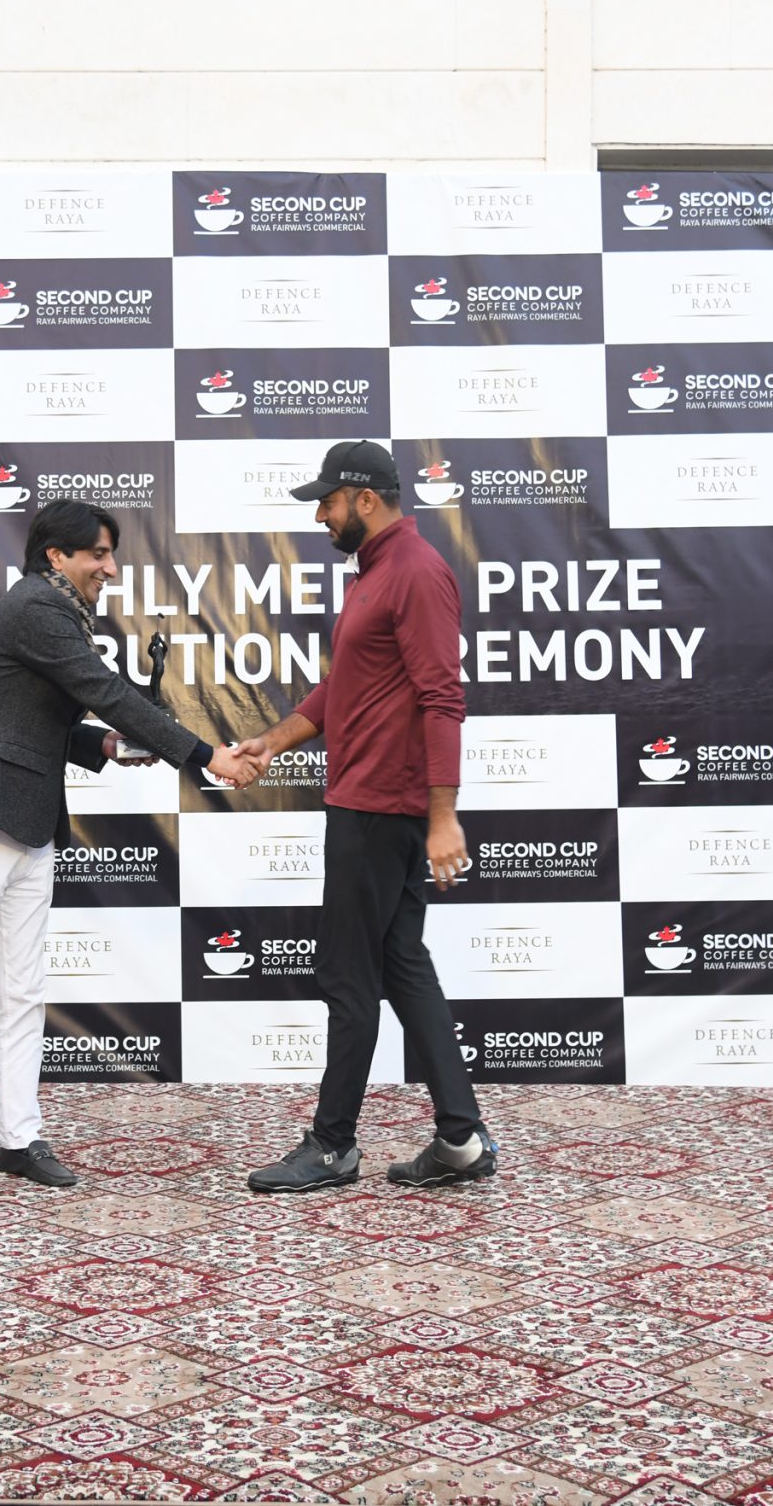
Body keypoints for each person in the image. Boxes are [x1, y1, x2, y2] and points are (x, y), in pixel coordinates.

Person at [0, 499, 259, 1189]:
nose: (110, 568)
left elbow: (37, 716)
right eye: (98, 554)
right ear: (56, 555)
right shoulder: (36, 607)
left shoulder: (57, 613)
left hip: (26, 821)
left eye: (111, 554)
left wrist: (103, 746)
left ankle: (19, 1139)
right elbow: (103, 690)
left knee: (23, 991)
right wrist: (205, 755)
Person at [233, 441, 491, 1192]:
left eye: (328, 500)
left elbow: (443, 698)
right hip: (371, 801)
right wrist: (272, 742)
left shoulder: (415, 572)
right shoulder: (376, 571)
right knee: (402, 964)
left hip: (380, 809)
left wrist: (444, 817)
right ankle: (460, 1137)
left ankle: (332, 1144)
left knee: (349, 976)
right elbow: (342, 688)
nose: (320, 514)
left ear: (366, 498)